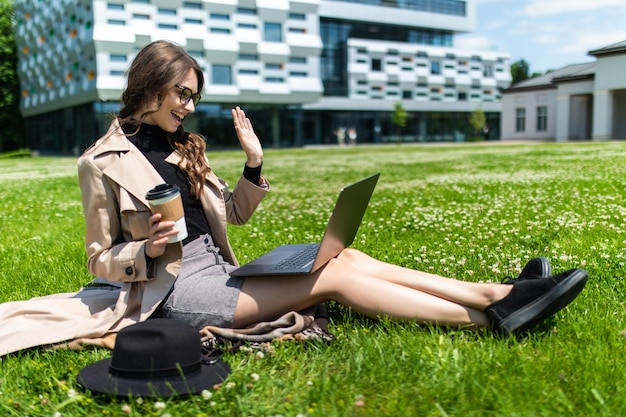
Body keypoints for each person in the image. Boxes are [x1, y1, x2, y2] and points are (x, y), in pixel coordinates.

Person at [0, 41, 587, 357]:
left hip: (219, 273)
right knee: (329, 278)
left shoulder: (184, 147)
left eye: (193, 96)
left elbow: (231, 215)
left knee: (345, 258)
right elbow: (99, 258)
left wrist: (254, 161)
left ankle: (498, 295)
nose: (188, 106)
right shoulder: (98, 161)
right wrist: (143, 252)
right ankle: (492, 317)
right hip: (173, 291)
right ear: (148, 86)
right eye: (181, 93)